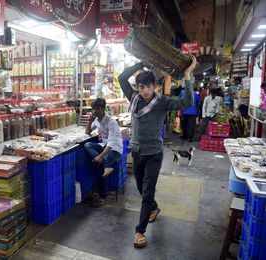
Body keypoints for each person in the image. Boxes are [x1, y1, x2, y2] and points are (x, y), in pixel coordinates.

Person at [118, 56, 197, 248]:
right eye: (140, 86)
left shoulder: (162, 102)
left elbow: (187, 101)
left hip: (154, 154)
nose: (144, 90)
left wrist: (187, 75)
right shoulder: (134, 99)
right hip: (137, 153)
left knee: (147, 191)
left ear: (155, 86)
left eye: (147, 86)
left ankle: (140, 231)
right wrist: (141, 64)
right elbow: (122, 78)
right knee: (140, 188)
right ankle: (153, 208)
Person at [84, 98, 123, 207]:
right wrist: (90, 121)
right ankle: (106, 165)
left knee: (99, 166)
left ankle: (102, 196)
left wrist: (100, 156)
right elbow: (87, 132)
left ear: (102, 109)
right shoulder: (96, 120)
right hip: (104, 147)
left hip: (114, 149)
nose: (94, 112)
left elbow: (111, 143)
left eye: (96, 109)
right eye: (93, 109)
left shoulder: (111, 122)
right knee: (88, 145)